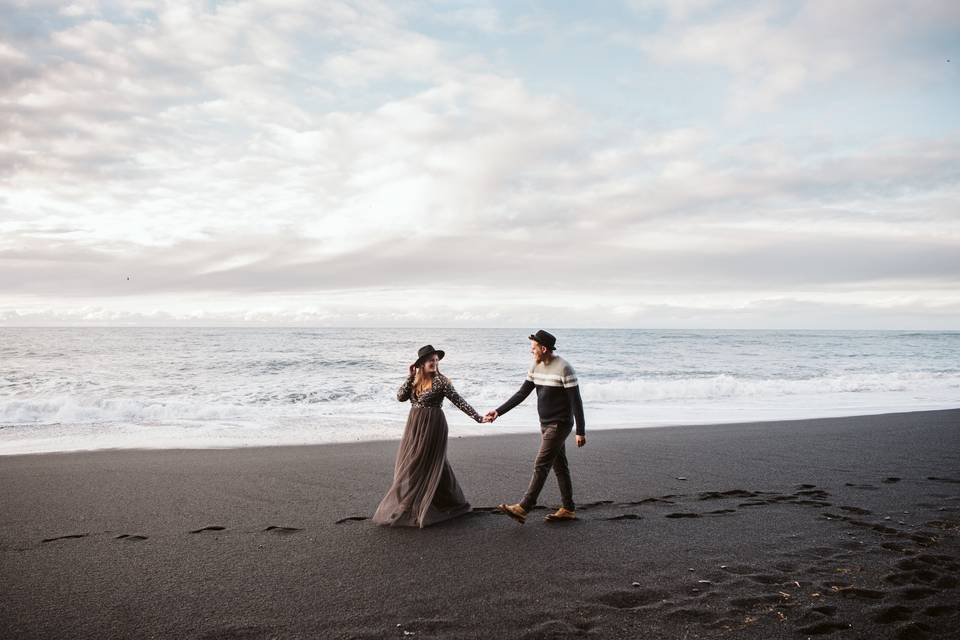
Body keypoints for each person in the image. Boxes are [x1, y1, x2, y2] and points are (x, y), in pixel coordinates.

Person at [373, 344, 488, 528]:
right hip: (415, 425)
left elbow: (459, 401)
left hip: (434, 424)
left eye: (436, 360)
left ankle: (427, 504)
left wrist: (478, 418)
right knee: (422, 462)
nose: (434, 363)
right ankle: (439, 501)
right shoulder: (415, 380)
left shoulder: (442, 381)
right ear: (421, 364)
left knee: (424, 461)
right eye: (430, 360)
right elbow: (400, 397)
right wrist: (410, 376)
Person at [486, 330, 586, 524]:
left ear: (543, 348)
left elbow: (576, 402)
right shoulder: (536, 366)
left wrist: (580, 431)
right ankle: (568, 508)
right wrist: (498, 412)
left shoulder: (564, 368)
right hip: (545, 423)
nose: (531, 352)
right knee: (559, 466)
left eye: (533, 348)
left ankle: (524, 507)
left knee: (541, 463)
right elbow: (522, 393)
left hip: (560, 424)